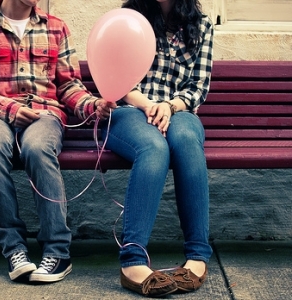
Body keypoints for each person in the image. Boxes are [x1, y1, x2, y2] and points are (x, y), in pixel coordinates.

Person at [0, 0, 101, 283]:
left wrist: (92, 105)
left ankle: (57, 251)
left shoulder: (56, 28)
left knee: (37, 148)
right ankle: (14, 249)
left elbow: (69, 86)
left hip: (43, 113)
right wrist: (10, 109)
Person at [94, 0, 214, 297]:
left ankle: (198, 255)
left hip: (179, 112)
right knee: (154, 147)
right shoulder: (128, 19)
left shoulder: (200, 25)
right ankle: (132, 261)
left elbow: (198, 86)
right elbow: (117, 81)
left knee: (186, 141)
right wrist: (150, 106)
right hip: (130, 112)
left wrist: (168, 107)